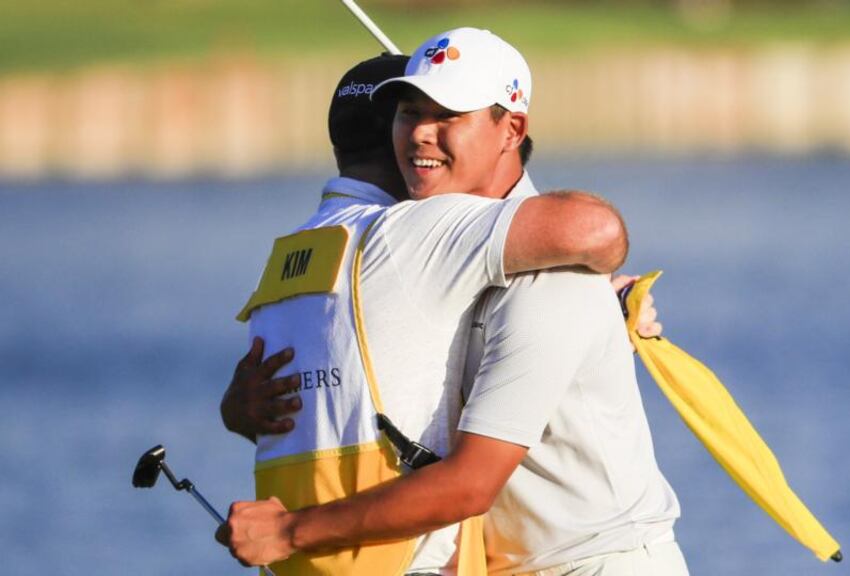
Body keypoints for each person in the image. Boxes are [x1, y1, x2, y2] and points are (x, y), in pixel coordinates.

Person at [219, 32, 637, 576]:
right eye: (408, 113)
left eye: (447, 116)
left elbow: (593, 233)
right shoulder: (423, 245)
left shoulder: (310, 251)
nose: (419, 134)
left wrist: (289, 529)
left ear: (511, 129)